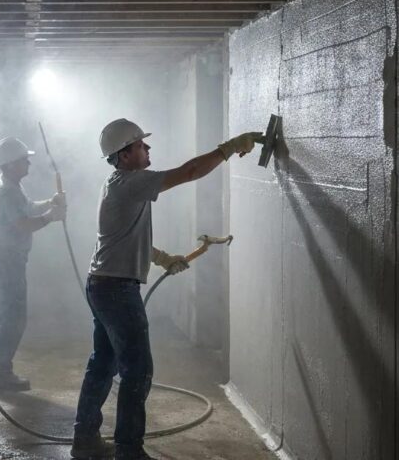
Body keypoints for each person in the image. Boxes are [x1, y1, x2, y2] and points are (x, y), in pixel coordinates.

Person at [70, 119, 262, 460]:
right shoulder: (131, 183)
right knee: (137, 370)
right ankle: (128, 450)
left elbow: (125, 236)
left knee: (103, 364)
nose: (148, 149)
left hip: (102, 283)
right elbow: (189, 172)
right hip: (116, 289)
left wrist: (161, 258)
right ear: (126, 154)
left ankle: (85, 439)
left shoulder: (120, 183)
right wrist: (228, 148)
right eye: (142, 145)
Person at [0, 137, 67, 391]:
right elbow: (21, 224)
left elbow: (27, 208)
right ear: (11, 164)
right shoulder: (7, 190)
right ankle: (0, 372)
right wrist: (51, 217)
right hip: (7, 260)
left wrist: (49, 203)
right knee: (14, 317)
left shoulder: (11, 185)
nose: (29, 163)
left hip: (3, 258)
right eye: (24, 160)